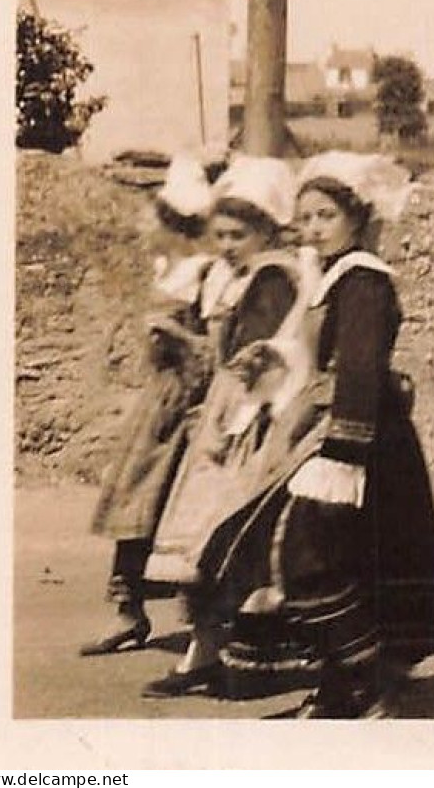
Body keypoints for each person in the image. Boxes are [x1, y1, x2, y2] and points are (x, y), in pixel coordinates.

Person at [208, 151, 434, 718]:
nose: (312, 229)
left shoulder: (364, 280)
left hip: (360, 443)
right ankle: (343, 687)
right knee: (335, 561)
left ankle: (365, 686)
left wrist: (341, 454)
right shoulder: (331, 277)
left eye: (326, 216)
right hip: (333, 430)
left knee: (310, 556)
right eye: (306, 217)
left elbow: (358, 368)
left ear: (357, 219)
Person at [141, 156, 311, 697]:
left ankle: (215, 654)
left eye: (240, 234)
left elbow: (257, 360)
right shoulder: (244, 279)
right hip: (229, 412)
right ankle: (207, 650)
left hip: (248, 420)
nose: (229, 245)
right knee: (211, 540)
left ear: (267, 228)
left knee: (223, 534)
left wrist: (228, 419)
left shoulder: (272, 279)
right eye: (222, 235)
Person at [82, 155, 219, 656]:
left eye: (149, 218)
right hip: (155, 405)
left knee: (179, 510)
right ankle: (128, 610)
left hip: (186, 409)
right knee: (133, 504)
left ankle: (202, 626)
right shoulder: (166, 270)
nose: (142, 227)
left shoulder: (205, 275)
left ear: (173, 225)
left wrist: (178, 335)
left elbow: (214, 351)